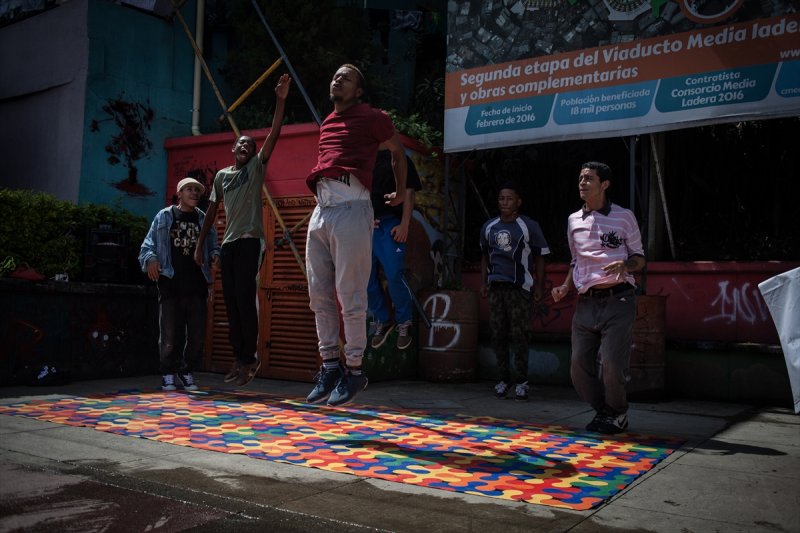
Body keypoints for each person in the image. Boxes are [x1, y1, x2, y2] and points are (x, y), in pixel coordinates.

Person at [304, 63, 407, 407]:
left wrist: (401, 191)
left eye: (346, 77)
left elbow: (397, 151)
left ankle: (355, 368)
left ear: (359, 91)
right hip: (321, 210)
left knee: (350, 294)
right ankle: (330, 365)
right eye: (335, 75)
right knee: (319, 295)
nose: (338, 79)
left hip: (352, 206)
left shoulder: (372, 116)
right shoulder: (328, 121)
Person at [194, 74, 292, 387]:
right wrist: (200, 247)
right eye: (240, 143)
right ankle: (239, 358)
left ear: (253, 153)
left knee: (245, 298)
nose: (244, 147)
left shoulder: (255, 168)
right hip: (228, 245)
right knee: (231, 301)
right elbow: (210, 211)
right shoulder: (221, 177)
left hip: (250, 242)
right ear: (233, 148)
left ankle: (250, 358)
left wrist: (280, 100)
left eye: (249, 145)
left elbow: (274, 135)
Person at [551, 161, 645, 434]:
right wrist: (566, 286)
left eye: (589, 178)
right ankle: (607, 411)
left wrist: (624, 266)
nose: (582, 183)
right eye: (580, 178)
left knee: (612, 364)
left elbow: (639, 259)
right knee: (578, 366)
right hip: (586, 303)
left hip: (619, 299)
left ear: (604, 184)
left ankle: (616, 412)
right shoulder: (573, 220)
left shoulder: (624, 216)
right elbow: (575, 261)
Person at [139, 177, 220, 391]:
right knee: (169, 336)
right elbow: (147, 245)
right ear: (180, 193)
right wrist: (151, 259)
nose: (194, 193)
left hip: (197, 285)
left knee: (196, 336)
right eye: (189, 189)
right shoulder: (164, 216)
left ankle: (186, 371)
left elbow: (214, 245)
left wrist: (214, 256)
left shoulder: (203, 219)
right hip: (170, 284)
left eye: (197, 190)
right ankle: (167, 372)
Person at [479, 182, 550, 402]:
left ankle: (522, 382)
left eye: (509, 198)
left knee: (520, 335)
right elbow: (485, 255)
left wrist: (538, 286)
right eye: (501, 198)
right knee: (498, 334)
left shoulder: (528, 226)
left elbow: (540, 256)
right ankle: (503, 379)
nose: (505, 202)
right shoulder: (489, 226)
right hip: (496, 287)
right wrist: (483, 282)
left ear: (518, 202)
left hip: (520, 288)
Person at [368, 149, 422, 351]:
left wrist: (405, 224)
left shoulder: (400, 158)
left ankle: (404, 322)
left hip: (392, 224)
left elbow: (409, 191)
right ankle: (383, 319)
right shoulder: (365, 157)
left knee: (393, 273)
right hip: (368, 226)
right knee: (365, 277)